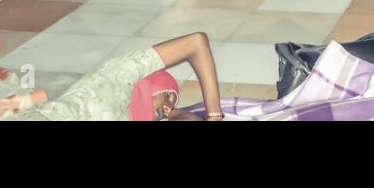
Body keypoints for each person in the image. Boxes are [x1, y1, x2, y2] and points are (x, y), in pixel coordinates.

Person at [12, 32, 223, 121]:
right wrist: (214, 115)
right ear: (147, 81)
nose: (167, 108)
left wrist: (174, 113)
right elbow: (196, 42)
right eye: (167, 95)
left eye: (169, 107)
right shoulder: (120, 76)